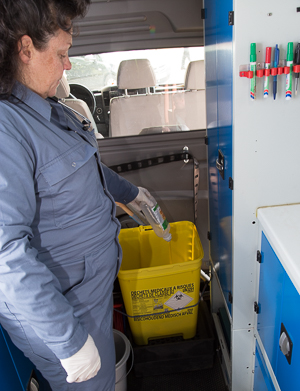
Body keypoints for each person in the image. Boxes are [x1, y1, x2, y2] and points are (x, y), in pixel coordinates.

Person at [0, 0, 153, 389]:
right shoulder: (6, 129)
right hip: (62, 313)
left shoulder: (44, 109)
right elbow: (6, 254)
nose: (69, 64)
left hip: (85, 294)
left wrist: (130, 193)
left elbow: (81, 170)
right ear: (25, 49)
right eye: (62, 54)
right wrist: (69, 341)